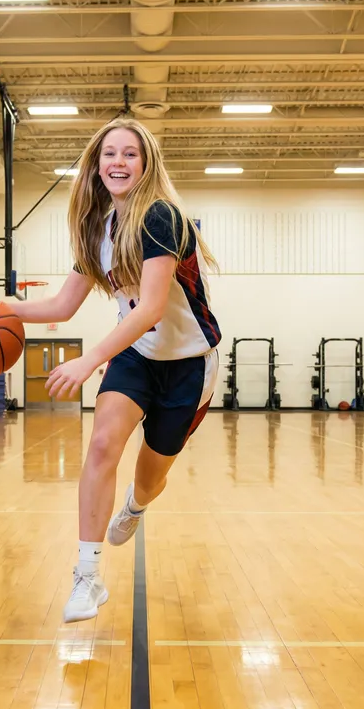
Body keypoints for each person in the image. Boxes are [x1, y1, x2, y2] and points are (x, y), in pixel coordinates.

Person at [13, 119, 221, 623]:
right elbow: (63, 305)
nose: (119, 162)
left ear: (145, 164)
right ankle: (87, 577)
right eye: (110, 154)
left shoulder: (161, 218)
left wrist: (87, 359)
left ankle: (135, 504)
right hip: (135, 357)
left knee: (151, 478)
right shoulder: (99, 229)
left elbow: (151, 308)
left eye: (130, 154)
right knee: (103, 443)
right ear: (97, 165)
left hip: (190, 365)